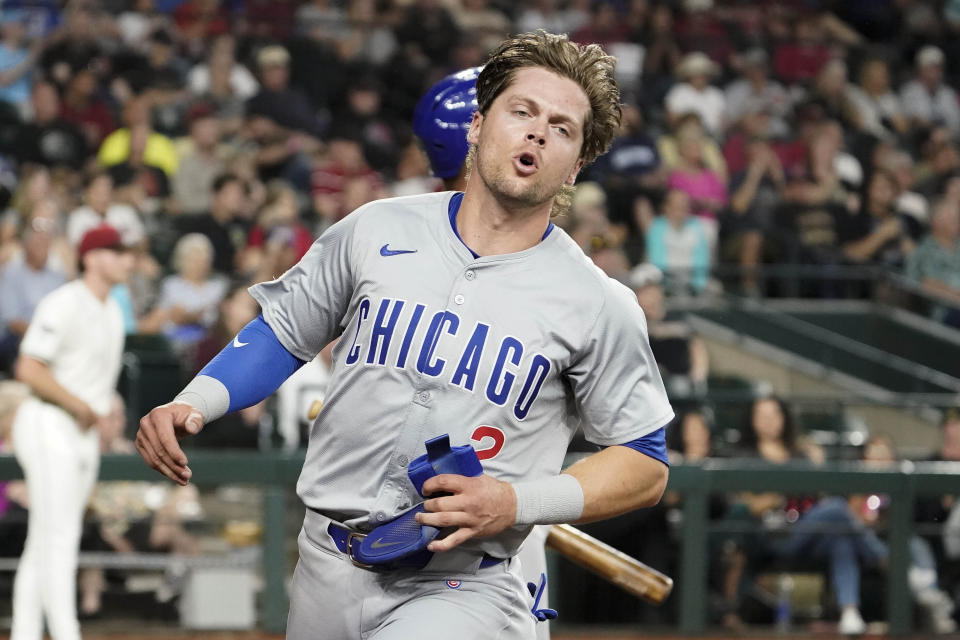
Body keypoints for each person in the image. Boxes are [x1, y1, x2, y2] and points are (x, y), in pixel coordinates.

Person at [136, 31, 673, 640]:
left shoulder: (600, 303)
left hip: (462, 582)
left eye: (562, 127)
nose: (537, 132)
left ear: (576, 163)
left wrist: (517, 504)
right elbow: (284, 331)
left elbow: (645, 463)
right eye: (521, 112)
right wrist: (194, 401)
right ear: (477, 124)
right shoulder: (375, 227)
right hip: (325, 563)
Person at [11, 223, 133, 640]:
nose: (126, 258)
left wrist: (97, 411)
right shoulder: (63, 302)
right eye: (116, 251)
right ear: (92, 257)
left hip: (79, 431)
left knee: (44, 540)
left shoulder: (114, 309)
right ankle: (67, 633)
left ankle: (27, 633)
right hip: (48, 422)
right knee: (61, 537)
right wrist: (81, 405)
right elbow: (28, 367)